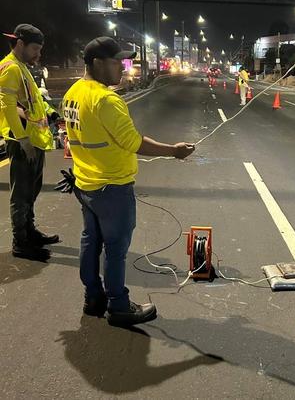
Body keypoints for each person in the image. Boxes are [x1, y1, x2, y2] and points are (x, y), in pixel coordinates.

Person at [59, 37, 195, 326]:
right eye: (117, 62)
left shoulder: (72, 93)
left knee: (90, 241)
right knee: (115, 249)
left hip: (85, 184)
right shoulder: (107, 100)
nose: (123, 68)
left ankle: (93, 297)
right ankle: (119, 306)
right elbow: (134, 142)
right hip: (112, 187)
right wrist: (174, 151)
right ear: (98, 63)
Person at [0, 24, 59, 261]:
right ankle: (21, 242)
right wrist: (23, 139)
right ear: (20, 44)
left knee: (31, 191)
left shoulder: (23, 67)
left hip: (33, 139)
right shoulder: (11, 68)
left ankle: (30, 232)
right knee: (21, 194)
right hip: (21, 140)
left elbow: (33, 101)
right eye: (35, 48)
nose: (39, 54)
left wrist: (51, 112)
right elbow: (6, 105)